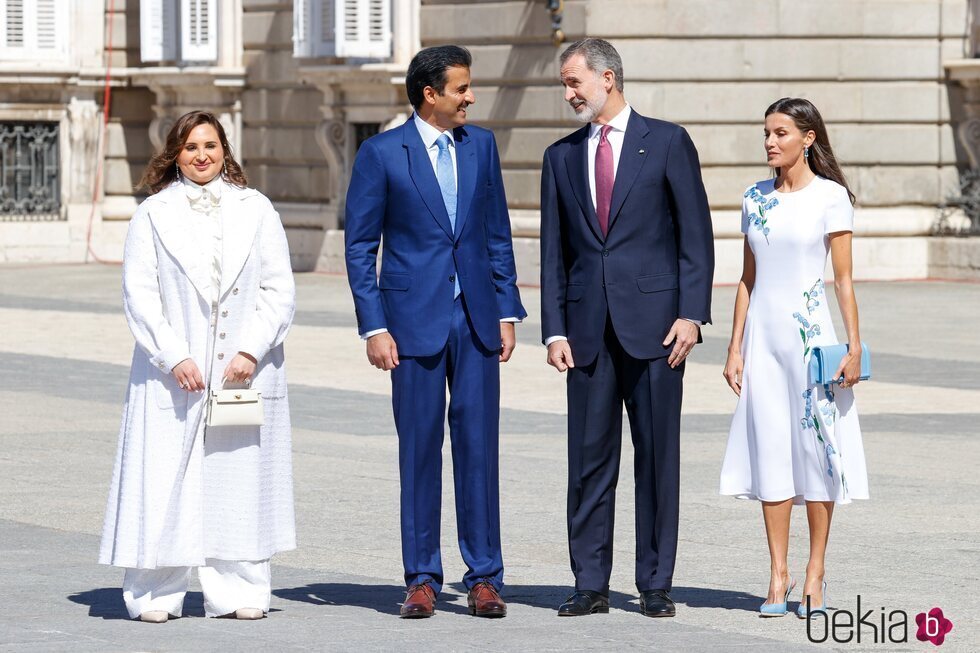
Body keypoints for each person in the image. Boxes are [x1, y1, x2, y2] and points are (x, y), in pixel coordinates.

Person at [344, 45, 526, 619]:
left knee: (479, 451)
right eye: (462, 88)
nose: (471, 97)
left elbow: (497, 232)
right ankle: (421, 576)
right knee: (419, 451)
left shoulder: (482, 147)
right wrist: (374, 325)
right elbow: (359, 246)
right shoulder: (380, 153)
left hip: (474, 320)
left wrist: (505, 311)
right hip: (409, 323)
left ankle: (485, 577)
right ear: (431, 94)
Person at [539, 38, 714, 618]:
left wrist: (691, 314)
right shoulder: (559, 157)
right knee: (588, 462)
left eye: (574, 83)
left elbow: (696, 237)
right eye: (565, 85)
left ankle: (655, 583)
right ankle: (590, 582)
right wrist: (554, 329)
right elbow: (553, 253)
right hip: (586, 333)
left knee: (658, 459)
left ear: (607, 78)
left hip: (659, 330)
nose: (568, 95)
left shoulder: (666, 141)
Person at [99, 110, 297, 623]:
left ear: (225, 150)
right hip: (172, 376)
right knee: (164, 480)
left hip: (242, 372)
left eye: (210, 145)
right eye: (190, 147)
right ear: (175, 155)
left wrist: (251, 349)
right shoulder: (152, 214)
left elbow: (278, 289)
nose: (202, 155)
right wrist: (173, 356)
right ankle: (155, 593)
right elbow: (139, 295)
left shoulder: (257, 210)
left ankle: (240, 592)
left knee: (238, 480)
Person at [719, 97, 870, 619]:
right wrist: (734, 346)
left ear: (807, 138)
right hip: (763, 341)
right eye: (766, 133)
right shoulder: (754, 197)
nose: (769, 142)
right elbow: (747, 278)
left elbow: (844, 280)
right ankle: (778, 574)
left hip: (812, 342)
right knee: (773, 451)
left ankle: (815, 572)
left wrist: (853, 347)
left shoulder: (831, 198)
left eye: (780, 133)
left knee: (818, 452)